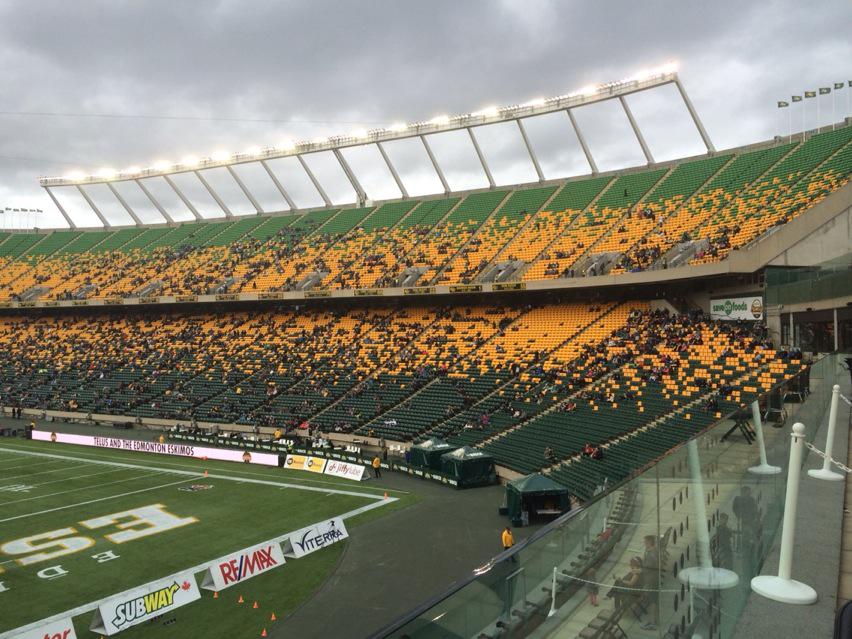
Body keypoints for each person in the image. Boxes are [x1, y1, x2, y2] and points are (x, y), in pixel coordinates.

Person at [641, 536, 660, 630]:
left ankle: (651, 623)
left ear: (648, 542)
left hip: (650, 581)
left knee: (651, 601)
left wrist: (639, 571)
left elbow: (647, 568)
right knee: (653, 601)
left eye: (645, 542)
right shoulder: (655, 551)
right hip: (655, 579)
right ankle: (652, 620)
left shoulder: (651, 554)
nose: (644, 543)